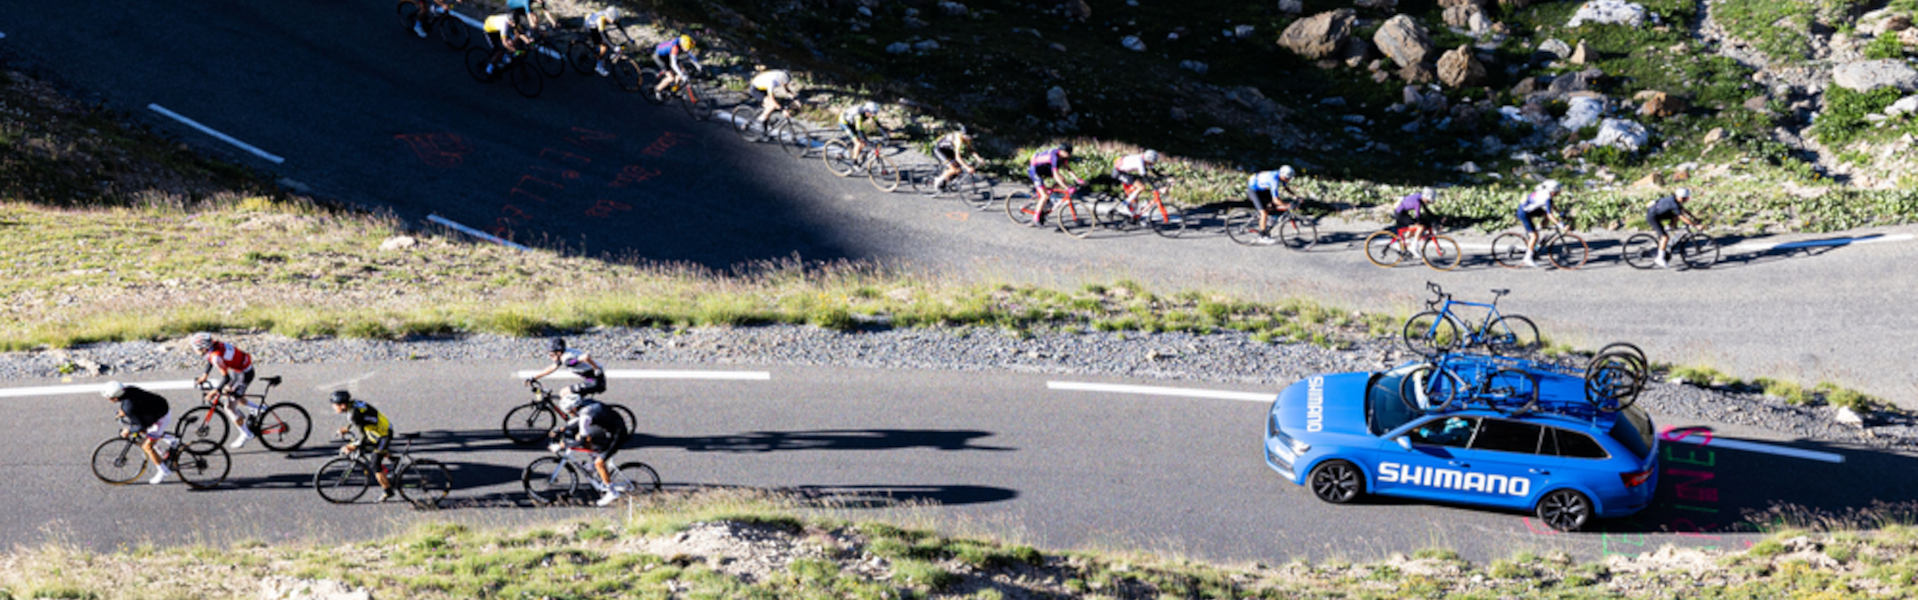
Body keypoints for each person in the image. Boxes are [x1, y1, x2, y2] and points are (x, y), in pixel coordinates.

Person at [552, 395, 632, 506]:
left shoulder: (585, 415)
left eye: (569, 411)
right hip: (608, 423)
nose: (568, 414)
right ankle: (593, 465)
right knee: (581, 435)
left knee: (599, 462)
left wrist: (562, 445)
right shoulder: (584, 404)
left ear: (574, 408)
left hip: (617, 433)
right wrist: (563, 429)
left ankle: (612, 492)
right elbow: (578, 421)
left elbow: (582, 441)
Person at [188, 332, 259, 449]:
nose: (194, 350)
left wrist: (214, 391)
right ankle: (255, 409)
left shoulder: (216, 357)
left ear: (203, 348)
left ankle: (247, 434)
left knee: (229, 407)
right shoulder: (213, 346)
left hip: (244, 374)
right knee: (229, 392)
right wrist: (205, 375)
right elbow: (209, 359)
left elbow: (226, 378)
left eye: (195, 348)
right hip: (239, 370)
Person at [330, 391, 398, 501]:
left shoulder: (353, 413)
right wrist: (347, 429)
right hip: (379, 428)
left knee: (375, 463)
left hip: (383, 434)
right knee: (373, 449)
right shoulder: (353, 405)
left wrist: (353, 446)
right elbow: (359, 420)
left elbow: (363, 437)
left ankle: (388, 491)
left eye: (335, 405)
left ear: (343, 405)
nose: (333, 407)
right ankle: (393, 460)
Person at [105, 381, 175, 485]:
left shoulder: (128, 408)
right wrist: (123, 411)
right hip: (159, 406)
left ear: (115, 398)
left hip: (160, 417)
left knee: (147, 446)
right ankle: (169, 441)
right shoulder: (129, 389)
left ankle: (164, 471)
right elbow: (133, 403)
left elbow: (140, 425)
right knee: (145, 432)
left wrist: (128, 430)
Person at [524, 338, 605, 406]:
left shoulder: (568, 360)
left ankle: (576, 422)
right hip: (591, 379)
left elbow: (586, 357)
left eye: (551, 355)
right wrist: (534, 377)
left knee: (564, 393)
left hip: (594, 381)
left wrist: (596, 368)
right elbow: (551, 368)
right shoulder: (563, 354)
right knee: (571, 400)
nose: (550, 357)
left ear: (558, 353)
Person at [1026, 142, 1084, 227]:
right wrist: (1066, 187)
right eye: (1068, 153)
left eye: (1070, 153)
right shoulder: (1054, 157)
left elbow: (1068, 169)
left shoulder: (1063, 156)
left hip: (1044, 168)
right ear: (1062, 152)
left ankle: (1048, 195)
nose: (1069, 155)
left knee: (1062, 179)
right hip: (1035, 170)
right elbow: (1056, 175)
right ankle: (1036, 219)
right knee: (1044, 196)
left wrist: (1077, 179)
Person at [1647, 187, 1702, 268]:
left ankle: (1669, 227)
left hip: (1658, 213)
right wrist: (1695, 225)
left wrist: (1694, 218)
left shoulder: (1675, 199)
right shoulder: (1673, 203)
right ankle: (1659, 258)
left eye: (1686, 198)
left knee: (1675, 216)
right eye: (1684, 199)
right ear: (1680, 197)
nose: (1686, 200)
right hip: (1653, 217)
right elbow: (1682, 217)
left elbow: (1684, 210)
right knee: (1665, 238)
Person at [1517, 180, 1567, 268]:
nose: (1559, 192)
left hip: (1529, 208)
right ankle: (1527, 258)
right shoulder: (1546, 197)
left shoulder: (1546, 193)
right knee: (1534, 236)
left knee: (1544, 216)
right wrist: (1560, 224)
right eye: (1558, 191)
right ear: (1553, 191)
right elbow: (1550, 214)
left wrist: (1559, 213)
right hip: (1524, 213)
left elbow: (1552, 205)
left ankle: (1539, 228)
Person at [1245, 165, 1299, 241]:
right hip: (1253, 189)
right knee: (1264, 213)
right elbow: (1276, 200)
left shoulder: (1280, 175)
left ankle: (1268, 224)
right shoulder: (1274, 180)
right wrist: (1287, 205)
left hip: (1262, 188)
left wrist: (1295, 196)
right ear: (1283, 176)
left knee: (1272, 207)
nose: (1289, 180)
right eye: (1288, 178)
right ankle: (1262, 236)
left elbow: (1285, 187)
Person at [481, 12, 533, 77]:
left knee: (513, 39)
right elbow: (504, 43)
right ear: (510, 21)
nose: (514, 25)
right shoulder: (504, 26)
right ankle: (489, 69)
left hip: (495, 26)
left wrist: (528, 41)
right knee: (499, 51)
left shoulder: (512, 19)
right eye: (513, 23)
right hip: (489, 31)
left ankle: (506, 56)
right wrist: (515, 51)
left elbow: (519, 32)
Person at [1112, 150, 1163, 215]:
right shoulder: (1140, 162)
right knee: (1141, 187)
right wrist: (1154, 186)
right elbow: (1144, 176)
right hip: (1118, 173)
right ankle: (1125, 204)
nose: (1153, 163)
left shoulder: (1145, 158)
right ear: (1149, 159)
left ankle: (1132, 204)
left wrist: (1163, 176)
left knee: (1139, 184)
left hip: (1124, 172)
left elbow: (1153, 171)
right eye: (1152, 162)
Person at [930, 126, 979, 192]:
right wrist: (967, 167)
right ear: (965, 136)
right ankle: (938, 180)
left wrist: (979, 158)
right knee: (953, 169)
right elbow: (958, 157)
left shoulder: (966, 138)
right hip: (939, 150)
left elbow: (971, 150)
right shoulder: (958, 140)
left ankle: (946, 182)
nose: (970, 139)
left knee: (959, 170)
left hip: (948, 150)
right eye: (970, 137)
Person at [582, 6, 620, 77]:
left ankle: (600, 53)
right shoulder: (601, 20)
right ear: (609, 17)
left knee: (608, 41)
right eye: (613, 20)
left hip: (593, 22)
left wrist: (629, 38)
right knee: (604, 46)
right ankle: (598, 66)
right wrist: (613, 47)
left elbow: (619, 26)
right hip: (591, 27)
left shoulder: (609, 15)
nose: (613, 21)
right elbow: (603, 36)